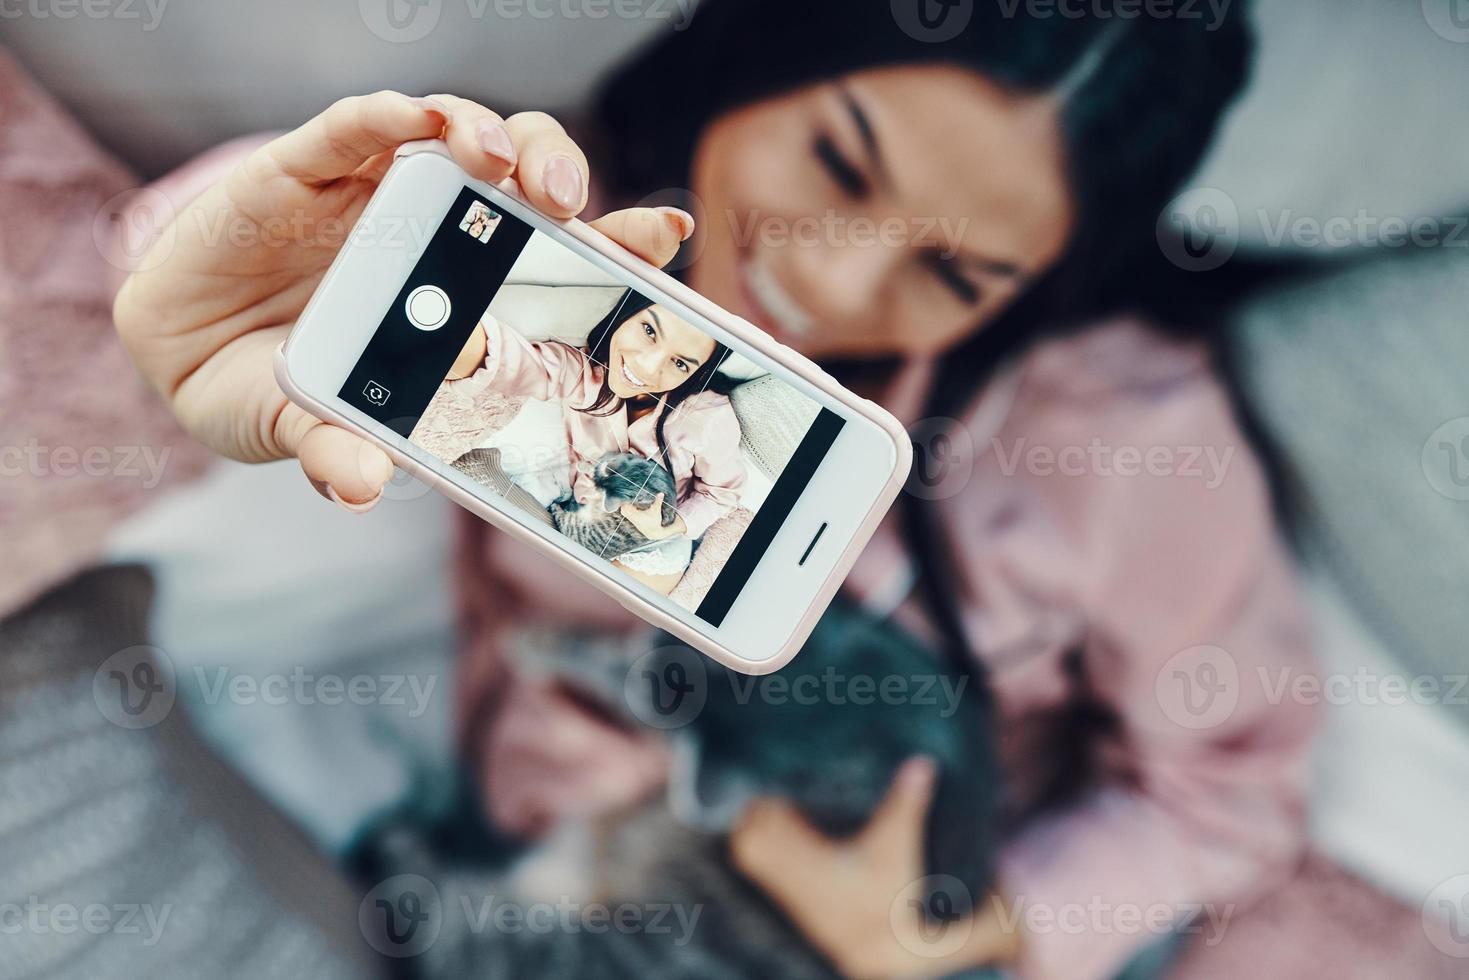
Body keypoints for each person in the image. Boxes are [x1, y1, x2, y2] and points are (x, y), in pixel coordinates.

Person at [113, 2, 1319, 977]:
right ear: (763, 52)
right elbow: (216, 268)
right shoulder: (558, 237)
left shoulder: (1123, 447)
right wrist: (214, 280)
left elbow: (1235, 793)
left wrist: (969, 928)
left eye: (956, 270)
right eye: (839, 159)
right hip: (503, 886)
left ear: (1035, 294)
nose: (835, 283)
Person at [442, 291, 746, 593]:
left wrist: (673, 524)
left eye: (680, 363)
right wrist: (447, 332)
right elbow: (513, 361)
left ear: (698, 373)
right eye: (649, 330)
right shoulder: (582, 373)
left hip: (648, 541)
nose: (648, 367)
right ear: (628, 311)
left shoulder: (706, 419)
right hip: (572, 510)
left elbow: (721, 493)